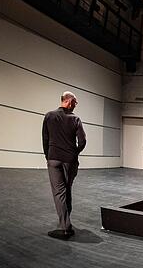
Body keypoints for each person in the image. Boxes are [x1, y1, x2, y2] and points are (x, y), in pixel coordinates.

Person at [42, 91, 86, 240]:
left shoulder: (49, 116)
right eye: (75, 102)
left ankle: (65, 227)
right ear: (68, 101)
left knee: (59, 192)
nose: (75, 105)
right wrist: (74, 153)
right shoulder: (75, 119)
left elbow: (45, 139)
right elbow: (82, 142)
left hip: (54, 159)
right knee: (67, 190)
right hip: (70, 161)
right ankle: (66, 224)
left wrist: (48, 156)